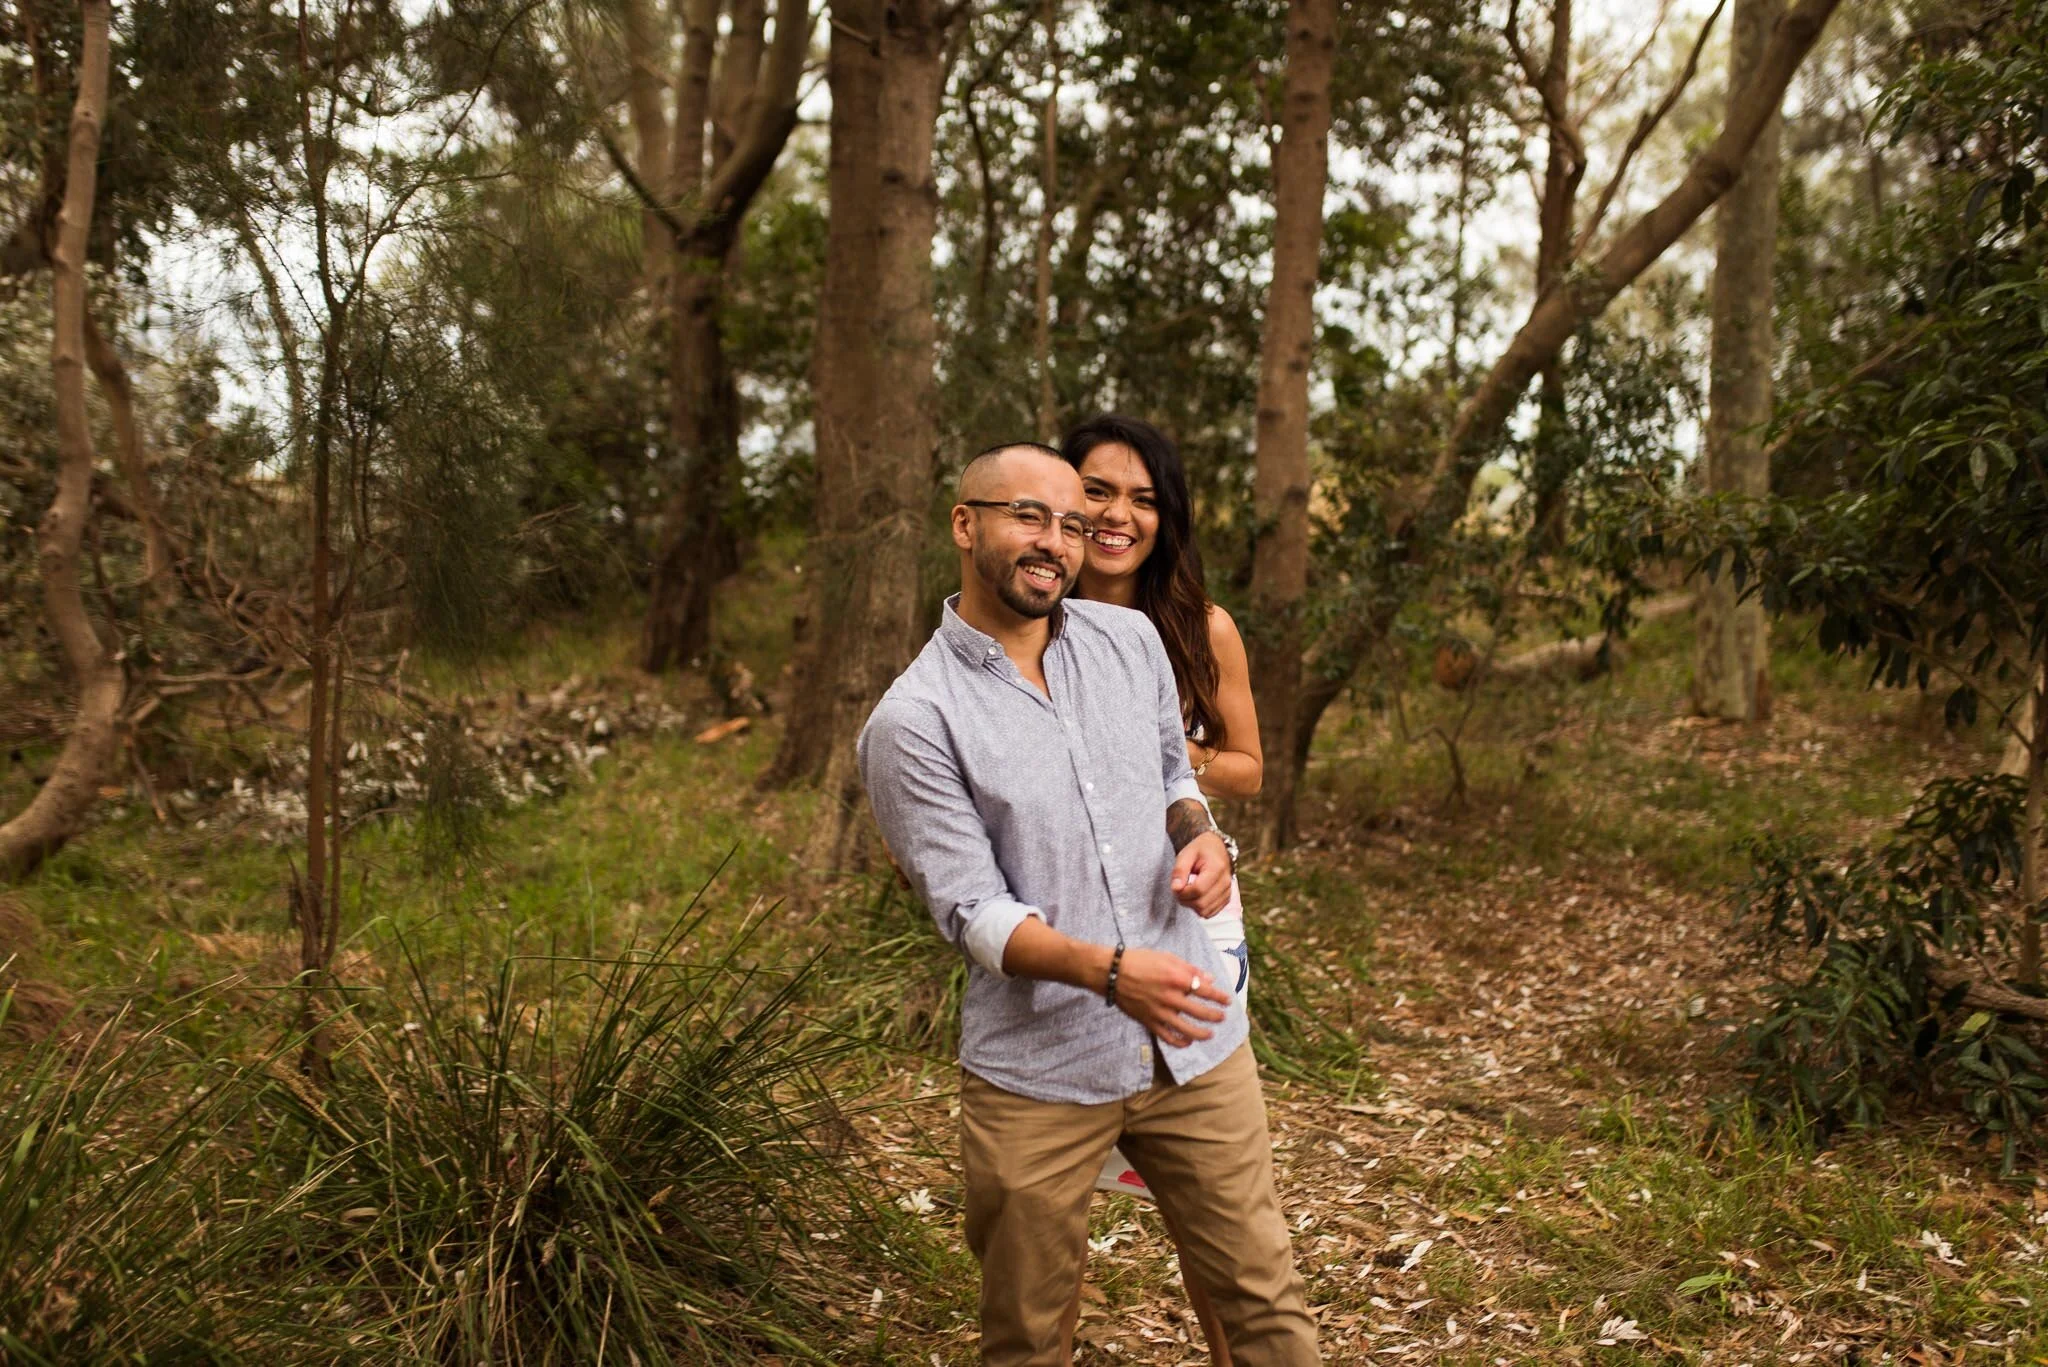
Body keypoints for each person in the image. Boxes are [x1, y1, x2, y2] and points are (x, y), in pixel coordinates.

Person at [858, 443, 1320, 1367]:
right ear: (965, 524)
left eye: (1070, 524)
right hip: (1040, 1074)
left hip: (1196, 1043)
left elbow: (1171, 776)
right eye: (1029, 516)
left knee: (1266, 1303)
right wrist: (1111, 973)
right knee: (1028, 1337)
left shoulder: (1130, 643)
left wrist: (1200, 837)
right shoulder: (914, 720)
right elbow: (974, 915)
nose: (1056, 542)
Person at [1063, 413, 1262, 1367]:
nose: (1118, 515)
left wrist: (1159, 749)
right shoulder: (1028, 614)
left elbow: (1249, 766)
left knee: (1205, 1197)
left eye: (1143, 499)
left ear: (1166, 515)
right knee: (1054, 1192)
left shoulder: (1200, 624)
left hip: (1186, 907)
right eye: (1098, 491)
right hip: (1069, 924)